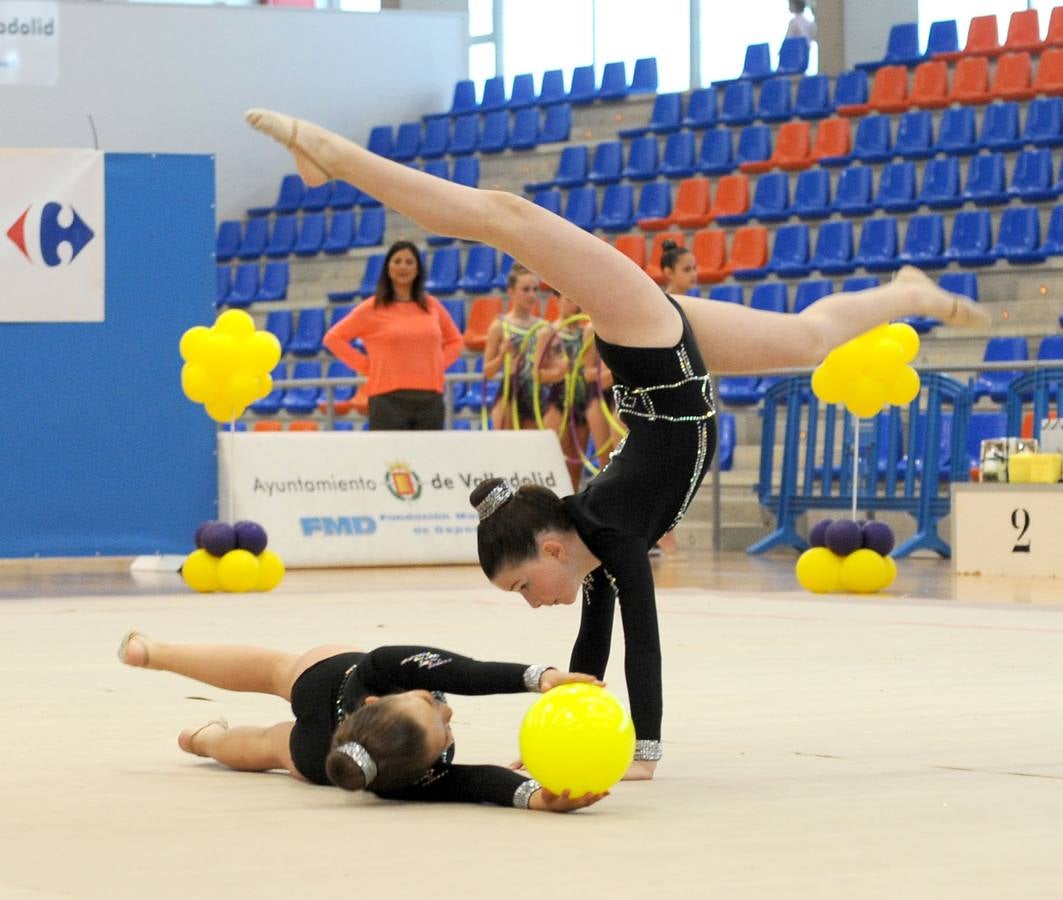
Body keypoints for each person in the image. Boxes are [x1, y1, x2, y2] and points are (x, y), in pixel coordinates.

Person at [244, 107, 989, 779]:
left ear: (552, 549)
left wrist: (645, 752)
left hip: (647, 345)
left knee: (506, 218)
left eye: (521, 586)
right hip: (670, 362)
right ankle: (911, 290)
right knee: (807, 337)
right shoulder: (604, 548)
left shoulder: (607, 533)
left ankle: (332, 152)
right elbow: (599, 659)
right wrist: (554, 739)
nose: (533, 603)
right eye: (522, 596)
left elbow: (641, 651)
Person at [116, 630, 607, 812]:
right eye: (438, 708)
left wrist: (538, 678)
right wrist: (536, 798)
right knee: (269, 746)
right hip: (314, 758)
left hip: (323, 680)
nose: (448, 707)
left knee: (276, 671)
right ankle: (204, 741)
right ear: (371, 702)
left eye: (443, 725)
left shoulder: (380, 668)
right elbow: (476, 781)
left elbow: (458, 672)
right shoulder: (410, 780)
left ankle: (158, 653)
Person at [322, 240, 463, 430]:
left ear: (418, 269)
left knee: (428, 459)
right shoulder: (371, 308)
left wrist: (437, 365)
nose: (403, 266)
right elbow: (333, 338)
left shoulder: (432, 305)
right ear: (388, 267)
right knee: (389, 460)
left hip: (430, 399)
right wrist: (367, 366)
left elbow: (455, 341)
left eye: (409, 262)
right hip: (386, 401)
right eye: (397, 261)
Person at [482, 264, 560, 431]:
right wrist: (502, 355)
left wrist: (558, 368)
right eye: (525, 289)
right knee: (507, 452)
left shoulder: (545, 328)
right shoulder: (500, 326)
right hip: (510, 394)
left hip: (537, 394)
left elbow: (554, 368)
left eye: (534, 289)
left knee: (533, 453)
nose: (531, 295)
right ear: (511, 292)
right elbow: (488, 371)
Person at [541, 290, 593, 489]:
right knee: (555, 461)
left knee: (575, 464)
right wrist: (558, 373)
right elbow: (537, 374)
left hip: (581, 400)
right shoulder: (549, 333)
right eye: (570, 299)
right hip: (557, 400)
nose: (575, 305)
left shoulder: (586, 332)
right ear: (557, 301)